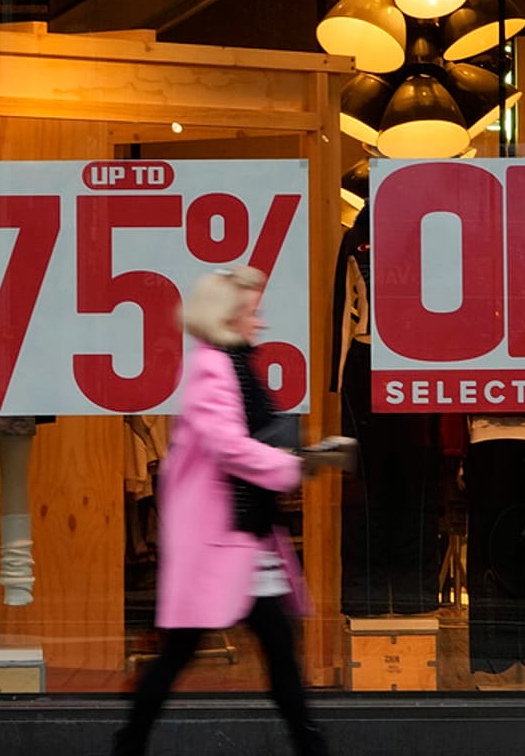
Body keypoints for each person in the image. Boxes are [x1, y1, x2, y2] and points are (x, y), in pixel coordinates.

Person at [112, 266, 330, 756]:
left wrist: (295, 458)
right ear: (228, 316)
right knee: (182, 655)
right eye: (253, 312)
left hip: (243, 541)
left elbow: (246, 439)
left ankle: (309, 744)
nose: (261, 322)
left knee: (275, 651)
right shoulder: (214, 366)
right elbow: (228, 445)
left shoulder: (231, 364)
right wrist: (290, 466)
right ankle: (127, 745)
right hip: (221, 542)